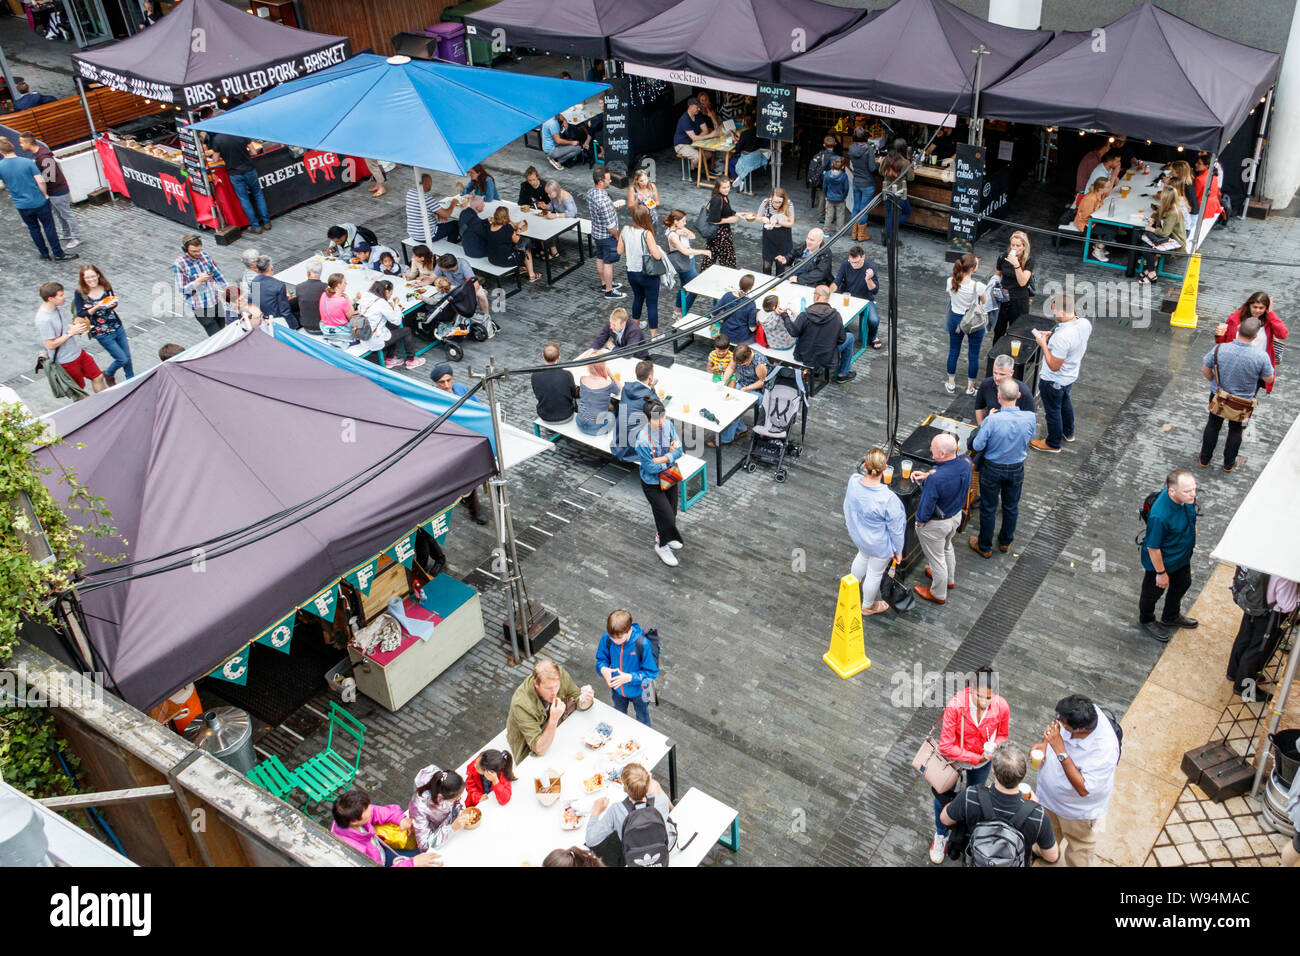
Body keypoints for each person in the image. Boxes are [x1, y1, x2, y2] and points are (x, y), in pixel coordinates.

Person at [928, 668, 1010, 863]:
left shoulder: (1001, 707)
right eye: (980, 696)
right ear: (970, 689)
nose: (984, 701)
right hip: (954, 762)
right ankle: (941, 835)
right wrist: (975, 758)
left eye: (989, 697)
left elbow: (1003, 734)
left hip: (982, 763)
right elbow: (946, 745)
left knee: (974, 797)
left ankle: (964, 831)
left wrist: (994, 746)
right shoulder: (956, 706)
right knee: (942, 798)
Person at [1033, 694, 1120, 867]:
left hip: (1077, 813)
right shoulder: (1080, 711)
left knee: (1080, 849)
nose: (1057, 722)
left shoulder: (1105, 749)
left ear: (1079, 730)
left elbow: (1083, 788)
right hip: (1049, 800)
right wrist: (1044, 744)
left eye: (1062, 722)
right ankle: (1046, 853)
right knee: (1047, 832)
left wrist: (1060, 749)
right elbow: (1054, 726)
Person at [939, 743, 1059, 866]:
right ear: (1023, 774)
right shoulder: (1038, 815)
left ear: (993, 771)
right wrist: (1032, 807)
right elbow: (1052, 856)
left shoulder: (971, 795)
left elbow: (944, 819)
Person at [970, 379, 1036, 558]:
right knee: (1011, 506)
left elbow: (977, 444)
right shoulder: (1030, 417)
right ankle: (1006, 542)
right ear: (1019, 396)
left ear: (999, 397)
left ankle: (985, 545)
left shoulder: (992, 420)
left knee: (989, 507)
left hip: (992, 468)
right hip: (1016, 467)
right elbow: (1031, 436)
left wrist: (986, 422)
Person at [1199, 316, 1273, 472]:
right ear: (1255, 336)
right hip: (1243, 402)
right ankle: (1228, 464)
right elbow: (1268, 378)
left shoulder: (1220, 349)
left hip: (1219, 396)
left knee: (1213, 426)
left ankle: (1204, 459)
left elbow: (1205, 369)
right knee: (1236, 431)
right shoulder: (1261, 357)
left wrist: (1214, 381)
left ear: (1238, 329)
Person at [1137, 469, 1199, 644]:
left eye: (1194, 489)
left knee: (1183, 583)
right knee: (1152, 593)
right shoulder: (1160, 515)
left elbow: (1190, 516)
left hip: (1181, 556)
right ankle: (1146, 619)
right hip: (1163, 562)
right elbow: (1153, 547)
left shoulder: (1185, 498)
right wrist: (1161, 573)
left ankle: (1170, 616)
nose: (1193, 494)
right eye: (1188, 491)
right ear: (1172, 491)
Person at [843, 447, 906, 617]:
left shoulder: (853, 481)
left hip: (861, 537)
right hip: (879, 544)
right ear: (885, 468)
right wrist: (898, 551)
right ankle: (867, 606)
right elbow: (896, 530)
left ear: (865, 465)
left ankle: (852, 587)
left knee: (862, 557)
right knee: (875, 573)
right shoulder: (888, 499)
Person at [910, 433, 972, 604]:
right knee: (947, 548)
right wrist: (928, 474)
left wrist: (920, 522)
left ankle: (938, 593)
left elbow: (926, 507)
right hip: (955, 517)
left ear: (943, 454)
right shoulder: (966, 463)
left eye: (934, 449)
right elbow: (949, 472)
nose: (930, 450)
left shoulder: (936, 480)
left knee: (937, 560)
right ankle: (949, 580)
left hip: (937, 525)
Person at [1030, 294, 1092, 454]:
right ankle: (1068, 432)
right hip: (1070, 376)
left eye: (1056, 312)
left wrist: (1043, 344)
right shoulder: (1084, 324)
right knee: (1065, 402)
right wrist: (1052, 337)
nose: (1054, 315)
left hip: (1053, 379)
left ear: (1063, 312)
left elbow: (1054, 365)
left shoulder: (1063, 337)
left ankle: (1053, 443)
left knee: (1052, 411)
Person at [583, 763, 676, 863]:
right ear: (648, 782)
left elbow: (591, 840)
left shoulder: (616, 810)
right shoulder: (661, 801)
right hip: (665, 847)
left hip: (636, 857)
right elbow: (652, 794)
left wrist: (595, 811)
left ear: (624, 789)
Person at [1227, 574, 1298, 704]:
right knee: (1258, 651)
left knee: (1244, 639)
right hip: (1270, 616)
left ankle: (1234, 672)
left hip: (1253, 604)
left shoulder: (1264, 559)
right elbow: (1287, 605)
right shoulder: (1286, 575)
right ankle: (1244, 688)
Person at [505, 659, 594, 762]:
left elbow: (578, 699)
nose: (554, 692)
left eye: (556, 686)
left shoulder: (559, 675)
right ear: (536, 685)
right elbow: (539, 749)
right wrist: (553, 719)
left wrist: (585, 701)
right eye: (548, 688)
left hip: (552, 730)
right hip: (528, 744)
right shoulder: (521, 704)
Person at [0, 137, 73, 260]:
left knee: (33, 229)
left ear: (1, 151)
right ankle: (58, 253)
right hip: (38, 201)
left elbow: (1, 185)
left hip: (21, 205)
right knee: (49, 227)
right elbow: (40, 181)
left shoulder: (1, 166)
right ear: (12, 146)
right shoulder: (27, 162)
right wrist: (44, 194)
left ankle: (44, 254)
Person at [329, 789, 439, 867]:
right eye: (366, 809)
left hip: (382, 854)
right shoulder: (351, 850)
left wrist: (401, 819)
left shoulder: (349, 816)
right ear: (354, 821)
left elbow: (381, 812)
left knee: (428, 857)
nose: (370, 809)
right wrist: (411, 863)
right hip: (380, 862)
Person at [636, 398, 685, 566]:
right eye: (657, 418)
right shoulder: (642, 441)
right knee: (665, 516)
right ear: (648, 419)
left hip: (669, 476)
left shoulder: (668, 426)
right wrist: (670, 457)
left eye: (662, 416)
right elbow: (650, 468)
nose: (661, 421)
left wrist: (662, 459)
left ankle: (665, 536)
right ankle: (661, 545)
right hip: (652, 483)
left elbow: (680, 450)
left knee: (672, 513)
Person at [36, 282, 105, 396]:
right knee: (79, 392)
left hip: (78, 353)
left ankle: (105, 403)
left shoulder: (58, 309)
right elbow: (50, 345)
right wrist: (70, 333)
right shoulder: (43, 320)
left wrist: (76, 328)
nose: (65, 297)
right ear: (51, 298)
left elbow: (63, 325)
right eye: (61, 295)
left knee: (98, 376)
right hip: (66, 362)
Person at [1214, 292, 1287, 394]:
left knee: (1246, 400)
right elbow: (1222, 342)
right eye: (1255, 307)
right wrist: (1219, 335)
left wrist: (1271, 313)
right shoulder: (1235, 318)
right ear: (1249, 305)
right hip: (1233, 364)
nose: (1257, 311)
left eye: (1261, 308)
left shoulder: (1269, 321)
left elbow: (1282, 334)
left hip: (1255, 368)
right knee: (1223, 395)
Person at [597, 609, 659, 727]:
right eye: (612, 638)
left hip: (640, 692)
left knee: (643, 721)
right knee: (618, 717)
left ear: (629, 630)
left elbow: (652, 672)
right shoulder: (607, 638)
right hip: (617, 688)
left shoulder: (643, 644)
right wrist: (602, 669)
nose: (615, 641)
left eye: (619, 638)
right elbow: (601, 660)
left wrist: (630, 677)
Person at [782, 285, 856, 383]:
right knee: (850, 337)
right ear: (828, 298)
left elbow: (793, 332)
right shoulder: (836, 316)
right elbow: (841, 339)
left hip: (804, 355)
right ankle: (843, 373)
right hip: (826, 356)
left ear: (816, 297)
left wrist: (785, 316)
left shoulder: (805, 314)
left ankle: (818, 368)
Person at [73, 266, 133, 384]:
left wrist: (113, 304)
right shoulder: (80, 293)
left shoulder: (106, 285)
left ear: (98, 275)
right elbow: (80, 313)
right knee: (121, 359)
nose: (91, 279)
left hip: (116, 325)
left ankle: (131, 379)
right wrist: (97, 307)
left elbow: (113, 301)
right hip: (101, 332)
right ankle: (109, 373)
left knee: (128, 356)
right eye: (87, 277)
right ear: (83, 279)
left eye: (93, 276)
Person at [19, 132, 79, 249]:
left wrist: (37, 180)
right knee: (60, 214)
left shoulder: (44, 157)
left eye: (21, 143)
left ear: (27, 143)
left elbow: (50, 177)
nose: (20, 145)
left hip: (57, 191)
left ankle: (76, 237)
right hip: (55, 191)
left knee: (66, 214)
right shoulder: (41, 154)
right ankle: (67, 233)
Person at [942, 253, 988, 396]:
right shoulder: (978, 286)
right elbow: (984, 302)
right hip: (973, 320)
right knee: (973, 355)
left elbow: (951, 296)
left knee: (954, 351)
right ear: (973, 269)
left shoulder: (951, 281)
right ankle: (970, 388)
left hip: (955, 319)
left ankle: (951, 383)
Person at [206, 131, 270, 233]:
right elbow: (254, 152)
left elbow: (215, 159)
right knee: (258, 194)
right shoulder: (240, 133)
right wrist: (245, 154)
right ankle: (267, 223)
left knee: (244, 198)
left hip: (234, 173)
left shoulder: (218, 139)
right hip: (249, 169)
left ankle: (256, 226)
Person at [618, 205, 665, 335]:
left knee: (637, 298)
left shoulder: (625, 230)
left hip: (631, 272)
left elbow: (619, 250)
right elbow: (657, 255)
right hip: (647, 274)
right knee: (652, 304)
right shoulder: (646, 233)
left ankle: (635, 329)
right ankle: (654, 336)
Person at [357, 279, 423, 370]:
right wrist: (395, 305)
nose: (390, 296)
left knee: (392, 329)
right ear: (387, 291)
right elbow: (397, 321)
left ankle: (390, 358)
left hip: (363, 336)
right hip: (375, 340)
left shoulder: (366, 295)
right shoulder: (381, 303)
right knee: (406, 330)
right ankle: (411, 360)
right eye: (391, 293)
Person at [172, 234, 227, 336]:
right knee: (216, 336)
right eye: (194, 251)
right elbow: (183, 290)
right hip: (200, 307)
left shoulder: (205, 256)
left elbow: (218, 275)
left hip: (214, 301)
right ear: (185, 249)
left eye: (199, 250)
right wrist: (197, 281)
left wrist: (228, 290)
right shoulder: (179, 265)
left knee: (223, 328)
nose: (198, 253)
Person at [713, 345, 766, 446]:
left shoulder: (759, 363)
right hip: (743, 384)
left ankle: (725, 439)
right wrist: (723, 381)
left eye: (742, 364)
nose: (740, 365)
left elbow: (762, 381)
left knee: (736, 407)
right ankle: (741, 429)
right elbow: (731, 367)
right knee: (725, 400)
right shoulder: (738, 354)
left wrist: (747, 388)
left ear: (748, 358)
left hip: (758, 391)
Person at [830, 245, 881, 349]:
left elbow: (875, 291)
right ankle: (844, 334)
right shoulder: (845, 264)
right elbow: (837, 281)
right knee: (836, 316)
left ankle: (872, 337)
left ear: (863, 257)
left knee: (874, 320)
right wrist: (828, 292)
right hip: (848, 297)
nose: (853, 265)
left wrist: (868, 279)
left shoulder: (870, 268)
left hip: (865, 299)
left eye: (856, 262)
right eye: (851, 261)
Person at [408, 766, 470, 851]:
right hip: (439, 838)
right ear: (441, 797)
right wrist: (451, 829)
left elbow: (455, 804)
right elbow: (424, 845)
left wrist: (460, 812)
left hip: (452, 828)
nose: (459, 798)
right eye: (456, 797)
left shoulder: (443, 782)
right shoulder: (420, 808)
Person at [664, 208, 711, 318]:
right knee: (695, 288)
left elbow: (693, 236)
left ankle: (677, 311)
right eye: (683, 221)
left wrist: (684, 231)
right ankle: (682, 313)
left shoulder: (679, 228)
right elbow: (685, 251)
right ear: (675, 221)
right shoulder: (672, 236)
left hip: (688, 261)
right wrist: (703, 251)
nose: (685, 223)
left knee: (684, 286)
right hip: (685, 262)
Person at [586, 169, 626, 300]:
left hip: (597, 232)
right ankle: (609, 291)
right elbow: (611, 227)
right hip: (607, 236)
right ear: (600, 181)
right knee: (608, 263)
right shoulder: (604, 201)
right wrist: (617, 236)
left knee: (600, 258)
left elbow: (599, 211)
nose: (610, 181)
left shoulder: (591, 193)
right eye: (608, 179)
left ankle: (604, 283)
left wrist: (612, 207)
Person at [1136, 187, 1187, 286]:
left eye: (1162, 195)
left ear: (1166, 198)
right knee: (1143, 245)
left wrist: (1150, 228)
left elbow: (1165, 233)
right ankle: (1151, 270)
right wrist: (1152, 219)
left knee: (1145, 247)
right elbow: (1158, 213)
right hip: (1166, 237)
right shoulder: (1166, 206)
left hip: (1175, 241)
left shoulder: (1173, 212)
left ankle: (1152, 273)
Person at [610, 358, 658, 462]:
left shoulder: (626, 388)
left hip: (618, 443)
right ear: (650, 377)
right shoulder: (650, 397)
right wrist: (652, 389)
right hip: (633, 448)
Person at [992, 231, 1032, 340]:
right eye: (1012, 245)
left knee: (1016, 332)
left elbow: (1023, 282)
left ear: (1024, 246)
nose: (1014, 248)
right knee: (999, 331)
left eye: (1018, 245)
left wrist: (1016, 265)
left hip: (1019, 300)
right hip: (1003, 298)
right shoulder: (1003, 257)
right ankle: (996, 354)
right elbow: (997, 276)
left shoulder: (1028, 261)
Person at [973, 354, 1035, 426]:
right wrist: (982, 427)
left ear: (1011, 373)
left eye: (1002, 374)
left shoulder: (1024, 392)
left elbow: (1030, 420)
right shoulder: (986, 384)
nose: (997, 377)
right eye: (995, 373)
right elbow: (979, 408)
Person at [485, 206, 539, 282]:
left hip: (492, 259)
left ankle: (520, 268)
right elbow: (518, 241)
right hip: (505, 261)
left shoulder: (489, 227)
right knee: (526, 245)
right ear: (506, 216)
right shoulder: (507, 228)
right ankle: (532, 275)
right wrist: (519, 228)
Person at [1074, 174, 1117, 263]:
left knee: (1113, 227)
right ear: (1101, 189)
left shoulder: (1100, 194)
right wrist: (1100, 220)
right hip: (1085, 225)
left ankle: (1100, 244)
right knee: (1111, 231)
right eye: (1108, 186)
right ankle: (1097, 249)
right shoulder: (1091, 198)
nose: (1110, 188)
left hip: (1092, 221)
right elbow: (1085, 217)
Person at [407, 173, 462, 244]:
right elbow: (446, 215)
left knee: (446, 225)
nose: (431, 185)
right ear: (426, 184)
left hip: (413, 233)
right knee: (455, 224)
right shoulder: (427, 198)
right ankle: (451, 245)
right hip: (426, 235)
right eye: (430, 183)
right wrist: (453, 203)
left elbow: (421, 208)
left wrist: (438, 213)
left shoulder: (410, 193)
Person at [433, 252, 491, 317]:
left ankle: (486, 316)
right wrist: (422, 282)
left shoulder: (464, 265)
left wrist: (466, 295)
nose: (438, 267)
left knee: (481, 294)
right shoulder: (441, 264)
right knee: (438, 292)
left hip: (466, 287)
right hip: (451, 286)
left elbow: (475, 285)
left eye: (441, 268)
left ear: (448, 268)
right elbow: (432, 277)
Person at [532, 343, 578, 425]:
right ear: (559, 357)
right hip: (567, 416)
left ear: (543, 355)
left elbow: (537, 394)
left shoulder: (535, 375)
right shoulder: (566, 374)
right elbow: (573, 394)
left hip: (545, 416)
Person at [755, 187, 795, 276]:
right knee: (767, 265)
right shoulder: (766, 203)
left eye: (779, 202)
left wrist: (778, 222)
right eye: (775, 202)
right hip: (769, 239)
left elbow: (791, 223)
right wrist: (763, 219)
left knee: (780, 266)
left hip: (783, 239)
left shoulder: (789, 205)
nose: (777, 204)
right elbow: (757, 218)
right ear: (771, 197)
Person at [879, 147, 914, 246]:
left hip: (887, 192)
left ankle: (887, 233)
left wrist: (881, 162)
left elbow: (881, 172)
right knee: (907, 213)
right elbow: (911, 178)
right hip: (899, 193)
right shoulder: (905, 163)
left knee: (890, 214)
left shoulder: (886, 160)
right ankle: (889, 233)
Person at [248, 255, 296, 327]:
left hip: (263, 319)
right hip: (276, 320)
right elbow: (284, 311)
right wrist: (292, 326)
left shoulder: (255, 281)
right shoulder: (279, 285)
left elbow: (256, 303)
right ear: (271, 267)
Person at [575, 360, 620, 437]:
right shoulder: (608, 384)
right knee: (616, 409)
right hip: (597, 428)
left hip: (580, 422)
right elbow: (619, 390)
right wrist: (610, 375)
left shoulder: (582, 379)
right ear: (603, 367)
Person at [847, 127, 876, 242]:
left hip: (856, 181)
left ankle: (854, 234)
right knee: (864, 209)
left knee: (856, 207)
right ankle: (861, 236)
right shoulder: (869, 149)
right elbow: (872, 168)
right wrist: (879, 163)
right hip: (867, 183)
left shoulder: (851, 147)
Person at [714, 273, 758, 345]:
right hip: (740, 337)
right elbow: (752, 328)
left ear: (739, 284)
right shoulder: (751, 304)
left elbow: (713, 312)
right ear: (751, 287)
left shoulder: (727, 295)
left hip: (726, 332)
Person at [705, 178, 739, 268]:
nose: (727, 189)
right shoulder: (717, 199)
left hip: (720, 234)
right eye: (724, 187)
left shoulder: (724, 196)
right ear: (718, 188)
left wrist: (738, 214)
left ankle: (704, 276)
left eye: (728, 186)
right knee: (728, 261)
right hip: (720, 235)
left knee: (710, 258)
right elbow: (713, 220)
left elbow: (725, 211)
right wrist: (730, 220)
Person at [673, 98, 711, 177]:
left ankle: (698, 168)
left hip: (693, 143)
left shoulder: (698, 115)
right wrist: (711, 135)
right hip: (681, 145)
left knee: (708, 154)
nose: (699, 109)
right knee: (697, 156)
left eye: (699, 107)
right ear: (690, 106)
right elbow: (694, 137)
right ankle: (693, 170)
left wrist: (697, 138)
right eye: (697, 107)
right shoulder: (684, 119)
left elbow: (706, 130)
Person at [821, 157, 851, 235]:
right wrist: (844, 196)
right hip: (840, 198)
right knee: (840, 215)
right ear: (842, 166)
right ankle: (839, 232)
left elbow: (824, 186)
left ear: (832, 164)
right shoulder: (844, 176)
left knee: (828, 216)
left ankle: (826, 232)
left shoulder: (827, 174)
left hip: (830, 198)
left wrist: (826, 195)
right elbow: (846, 188)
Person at [458, 195, 493, 260]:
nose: (484, 205)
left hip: (466, 245)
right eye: (482, 204)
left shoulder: (464, 212)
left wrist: (486, 221)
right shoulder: (475, 221)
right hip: (475, 252)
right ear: (477, 207)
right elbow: (486, 235)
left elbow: (470, 226)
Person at [1193, 151, 1224, 223]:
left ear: (1207, 166)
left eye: (1199, 163)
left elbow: (1195, 197)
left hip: (1201, 210)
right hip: (1211, 208)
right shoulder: (1214, 176)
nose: (1196, 164)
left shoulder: (1200, 179)